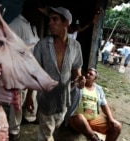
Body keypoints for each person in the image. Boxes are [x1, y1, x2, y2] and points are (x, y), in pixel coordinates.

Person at [25, 7, 85, 141]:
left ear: (66, 23)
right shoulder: (42, 45)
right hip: (46, 99)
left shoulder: (75, 46)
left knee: (54, 126)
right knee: (46, 135)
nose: (50, 23)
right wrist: (29, 96)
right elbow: (35, 72)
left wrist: (80, 79)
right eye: (49, 19)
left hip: (63, 99)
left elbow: (76, 70)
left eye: (55, 19)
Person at [65, 68, 122, 141]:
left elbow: (104, 104)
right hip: (76, 120)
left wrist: (111, 119)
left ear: (95, 79)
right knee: (80, 118)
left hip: (93, 119)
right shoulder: (78, 85)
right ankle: (94, 138)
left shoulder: (98, 89)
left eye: (91, 74)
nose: (87, 75)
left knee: (117, 126)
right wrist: (76, 82)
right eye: (87, 73)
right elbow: (66, 90)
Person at [8, 13, 40, 140]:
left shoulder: (33, 26)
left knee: (31, 96)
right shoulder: (17, 23)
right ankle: (14, 130)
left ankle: (29, 118)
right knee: (18, 100)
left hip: (33, 70)